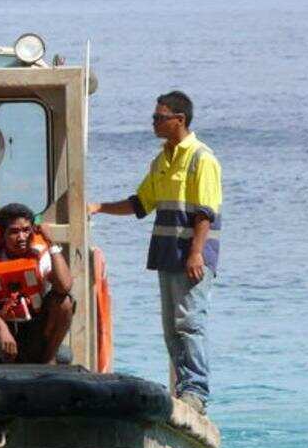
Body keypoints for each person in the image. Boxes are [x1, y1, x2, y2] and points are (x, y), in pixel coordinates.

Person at [89, 90, 222, 414]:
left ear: (180, 119)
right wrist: (99, 207)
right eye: (154, 117)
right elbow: (141, 204)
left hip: (190, 256)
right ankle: (181, 388)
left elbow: (205, 213)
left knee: (190, 323)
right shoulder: (162, 159)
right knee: (171, 326)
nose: (154, 123)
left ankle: (196, 392)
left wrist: (196, 254)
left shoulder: (201, 158)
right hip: (167, 254)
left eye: (159, 118)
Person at [0, 203, 74, 364]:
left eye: (26, 230)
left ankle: (48, 361)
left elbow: (64, 286)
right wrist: (1, 327)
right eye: (14, 232)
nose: (22, 237)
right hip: (1, 328)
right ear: (2, 235)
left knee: (65, 302)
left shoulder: (40, 253)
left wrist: (52, 244)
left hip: (34, 328)